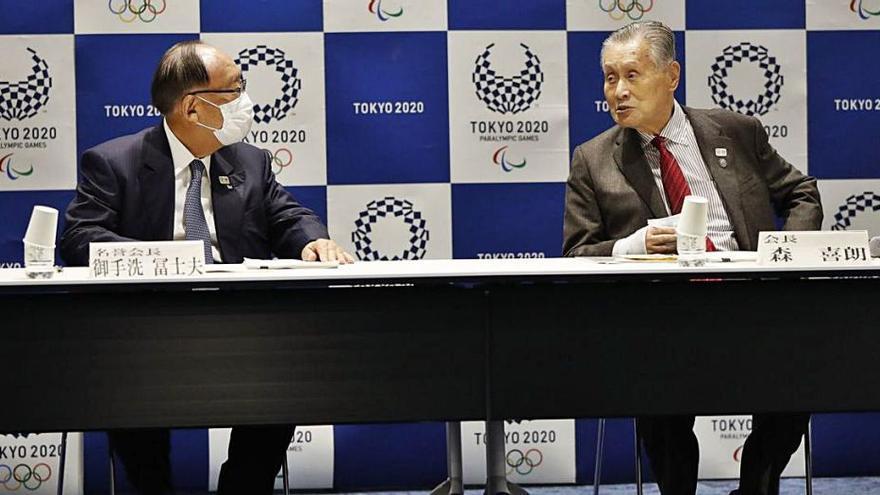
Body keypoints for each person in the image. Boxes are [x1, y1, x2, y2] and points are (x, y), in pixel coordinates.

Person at [61, 40, 353, 495]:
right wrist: (166, 262)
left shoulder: (249, 161)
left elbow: (286, 215)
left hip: (239, 328)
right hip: (147, 329)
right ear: (193, 108)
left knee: (281, 386)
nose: (246, 101)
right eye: (234, 90)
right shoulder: (113, 163)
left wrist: (313, 239)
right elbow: (79, 239)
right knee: (130, 397)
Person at [562, 21, 822, 495]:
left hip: (752, 307)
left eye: (632, 75)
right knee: (657, 383)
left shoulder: (737, 132)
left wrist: (787, 259)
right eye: (609, 77)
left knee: (797, 367)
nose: (617, 91)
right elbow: (577, 252)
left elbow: (801, 194)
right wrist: (631, 246)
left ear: (672, 75)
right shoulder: (593, 160)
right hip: (663, 319)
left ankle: (756, 486)